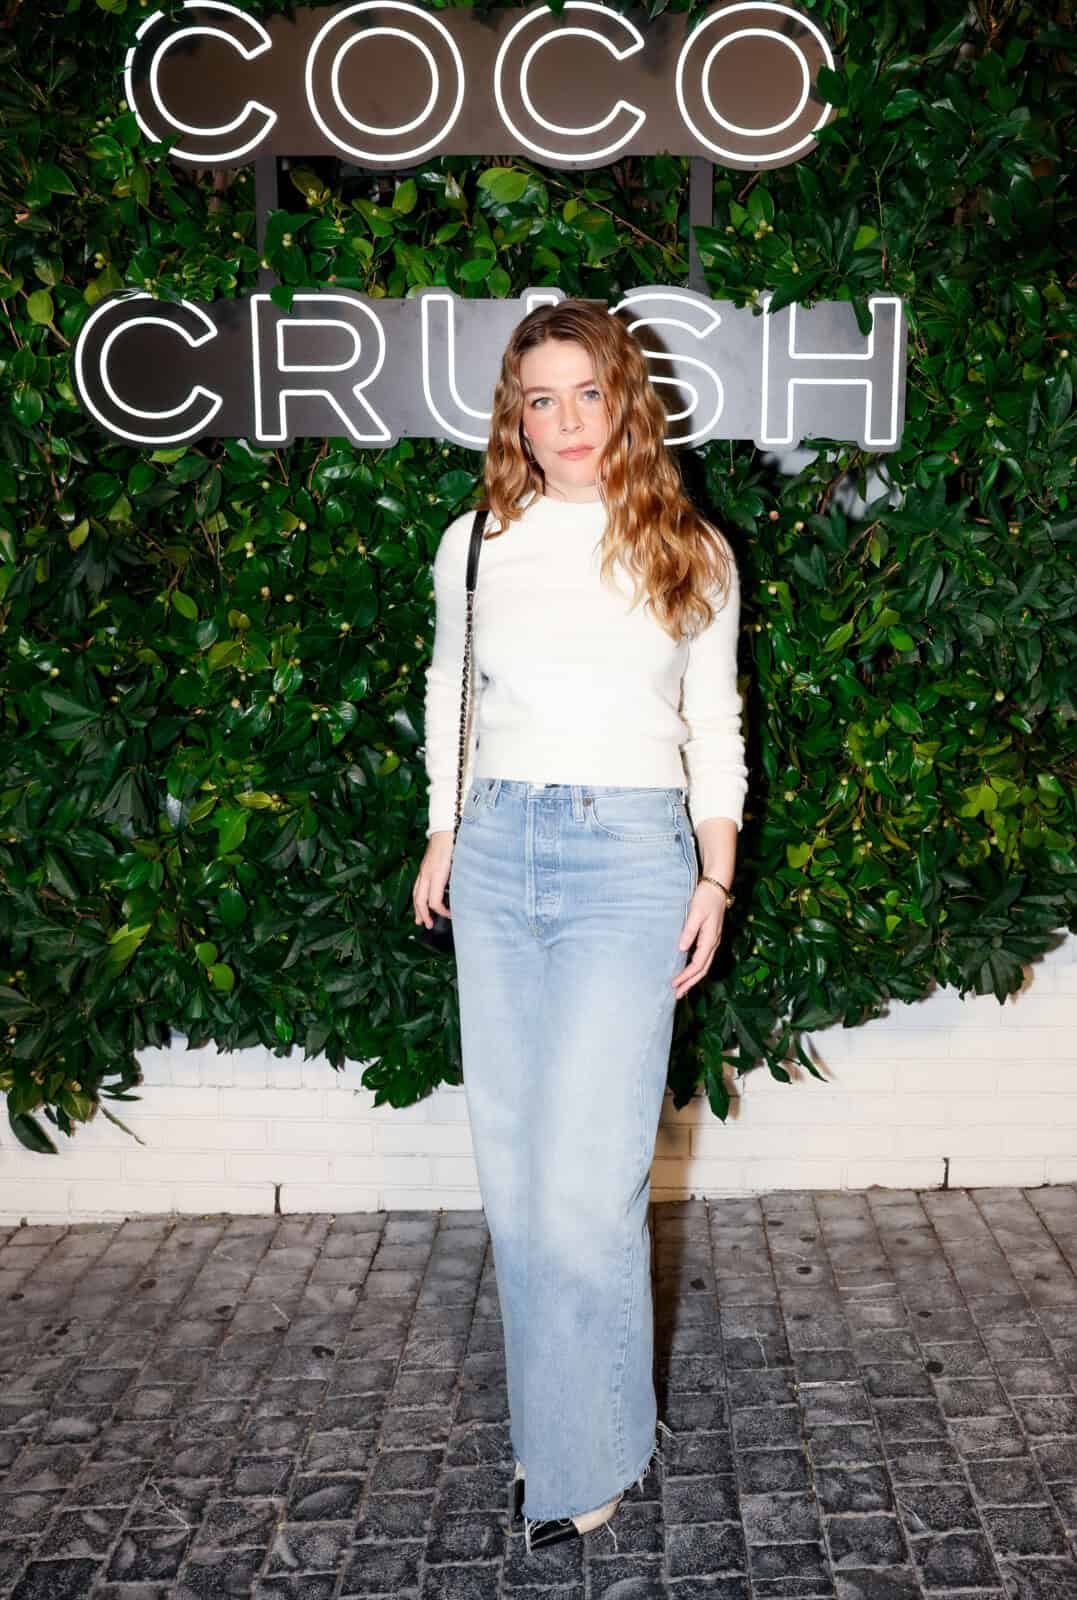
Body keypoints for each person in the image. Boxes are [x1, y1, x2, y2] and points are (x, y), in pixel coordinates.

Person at [411, 298, 748, 1555]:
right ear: (516, 414)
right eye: (540, 399)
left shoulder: (690, 550)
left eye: (588, 394)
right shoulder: (476, 544)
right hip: (498, 849)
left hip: (629, 859)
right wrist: (444, 827)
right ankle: (566, 1432)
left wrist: (713, 879)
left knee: (585, 1185)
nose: (566, 422)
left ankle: (586, 1458)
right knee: (517, 1177)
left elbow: (714, 725)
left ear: (627, 399)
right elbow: (451, 687)